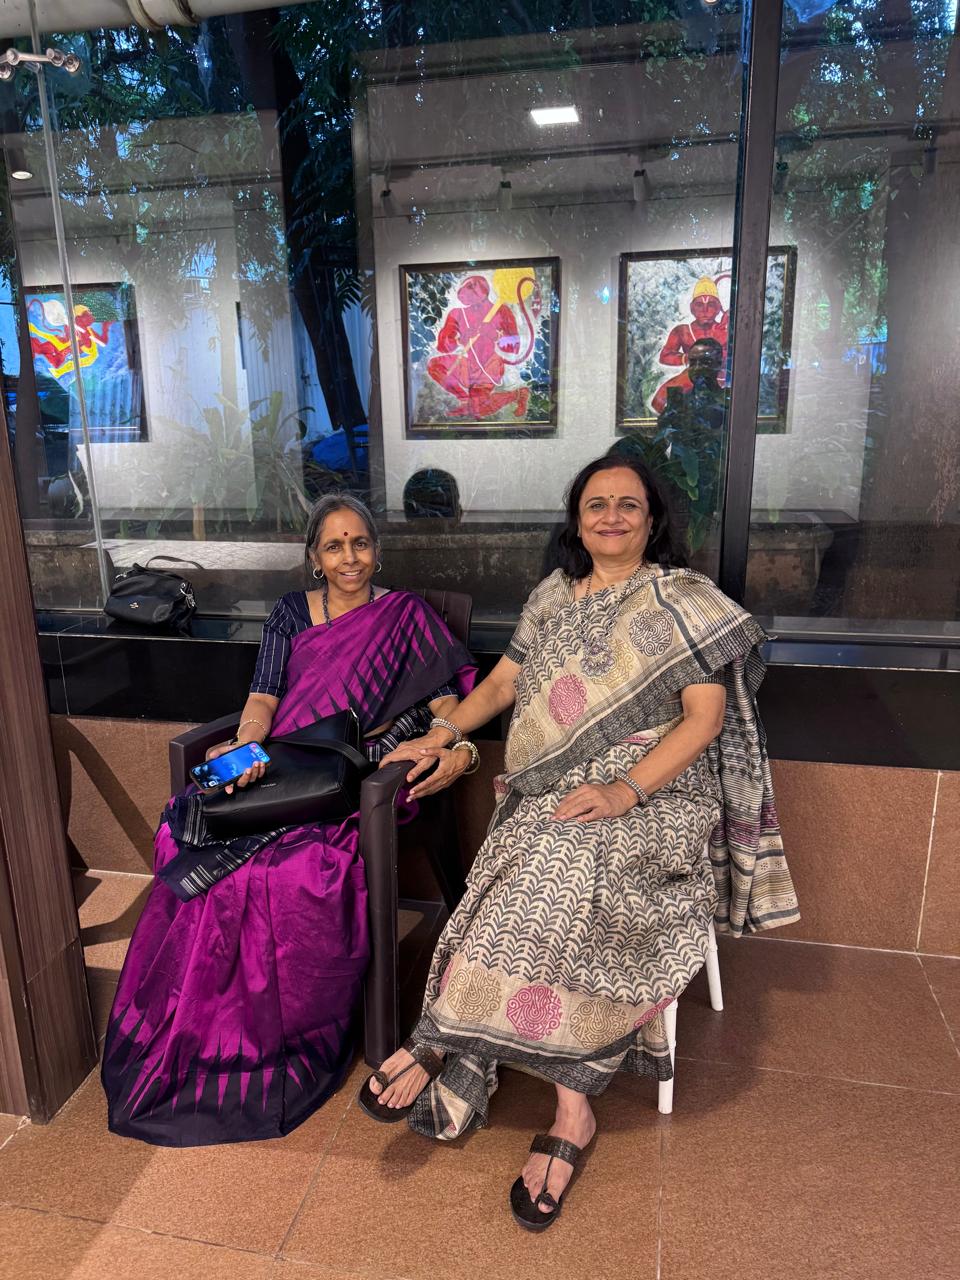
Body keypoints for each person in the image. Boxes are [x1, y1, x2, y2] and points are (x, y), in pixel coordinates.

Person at [358, 457, 799, 1231]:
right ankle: (459, 1038)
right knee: (531, 869)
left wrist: (625, 791)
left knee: (570, 870)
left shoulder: (682, 602)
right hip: (556, 790)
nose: (612, 516)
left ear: (652, 520)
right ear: (577, 519)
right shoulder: (552, 597)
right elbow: (502, 684)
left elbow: (703, 719)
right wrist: (443, 732)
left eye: (629, 505)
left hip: (657, 794)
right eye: (597, 504)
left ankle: (559, 1107)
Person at [102, 494, 476, 1146]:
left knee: (294, 869)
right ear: (314, 558)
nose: (349, 557)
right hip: (284, 770)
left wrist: (446, 744)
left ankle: (278, 1042)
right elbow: (263, 696)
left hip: (350, 780)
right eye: (334, 546)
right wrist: (245, 750)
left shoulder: (406, 616)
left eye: (360, 542)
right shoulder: (290, 614)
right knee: (189, 835)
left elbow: (448, 703)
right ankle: (200, 1034)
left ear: (377, 549)